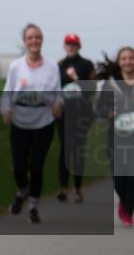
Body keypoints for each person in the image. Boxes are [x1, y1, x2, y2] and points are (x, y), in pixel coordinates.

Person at [0, 23, 63, 224]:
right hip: (20, 123)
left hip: (43, 123)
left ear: (42, 40)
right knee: (19, 166)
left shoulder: (52, 67)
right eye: (30, 38)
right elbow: (7, 91)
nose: (34, 41)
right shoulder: (16, 66)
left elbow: (58, 94)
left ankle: (33, 207)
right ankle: (22, 191)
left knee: (37, 165)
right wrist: (5, 109)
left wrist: (58, 105)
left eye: (37, 37)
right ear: (25, 42)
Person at [55, 33, 96, 204]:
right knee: (65, 148)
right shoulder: (58, 65)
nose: (71, 47)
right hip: (63, 113)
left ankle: (78, 189)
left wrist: (76, 79)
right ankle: (63, 188)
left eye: (74, 44)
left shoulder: (87, 65)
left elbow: (91, 91)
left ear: (79, 46)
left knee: (78, 150)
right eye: (68, 44)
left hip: (82, 114)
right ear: (64, 46)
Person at [97, 46, 134, 228]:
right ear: (119, 62)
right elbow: (100, 110)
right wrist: (108, 112)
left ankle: (127, 209)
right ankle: (125, 202)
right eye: (124, 58)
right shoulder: (110, 84)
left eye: (131, 58)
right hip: (116, 138)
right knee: (120, 179)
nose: (128, 61)